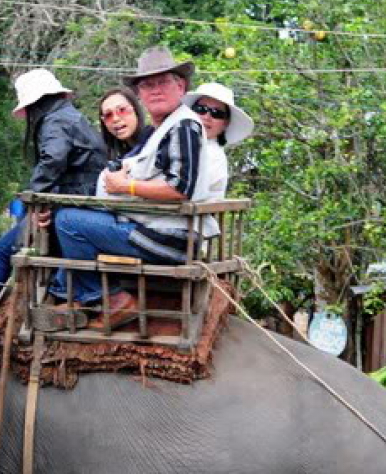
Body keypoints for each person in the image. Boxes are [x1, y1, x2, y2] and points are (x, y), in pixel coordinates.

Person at [0, 68, 106, 352]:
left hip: (71, 209)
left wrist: (33, 198)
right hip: (78, 206)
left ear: (35, 103)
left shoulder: (55, 121)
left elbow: (53, 159)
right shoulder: (71, 117)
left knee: (2, 251)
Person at [47, 46, 216, 329]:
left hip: (166, 236)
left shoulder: (184, 126)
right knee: (70, 215)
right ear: (140, 94)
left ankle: (109, 298)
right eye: (147, 85)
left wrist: (128, 187)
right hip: (152, 227)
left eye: (163, 82)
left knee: (67, 221)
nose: (155, 90)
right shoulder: (162, 130)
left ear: (181, 86)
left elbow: (180, 188)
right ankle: (71, 295)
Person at [181, 81, 254, 200]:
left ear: (225, 123)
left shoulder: (214, 156)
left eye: (217, 113)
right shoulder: (181, 145)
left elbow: (182, 191)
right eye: (200, 109)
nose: (207, 117)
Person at [97, 86, 150, 162]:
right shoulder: (107, 158)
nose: (115, 119)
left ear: (135, 109)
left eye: (122, 110)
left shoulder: (156, 144)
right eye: (108, 115)